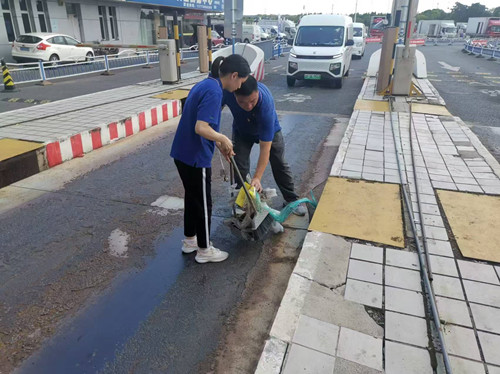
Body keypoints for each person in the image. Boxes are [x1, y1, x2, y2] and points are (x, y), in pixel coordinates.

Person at [170, 54, 250, 263]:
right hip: (195, 157)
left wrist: (219, 143)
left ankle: (190, 241)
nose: (240, 86)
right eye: (241, 81)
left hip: (182, 153)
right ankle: (204, 250)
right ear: (234, 75)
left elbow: (205, 127)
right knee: (204, 204)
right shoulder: (215, 92)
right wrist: (223, 137)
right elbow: (201, 127)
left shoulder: (206, 84)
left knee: (193, 198)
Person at [222, 75, 307, 216]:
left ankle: (291, 199)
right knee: (239, 165)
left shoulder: (265, 104)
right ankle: (243, 202)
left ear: (257, 93)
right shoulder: (228, 92)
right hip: (242, 130)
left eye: (252, 101)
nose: (248, 106)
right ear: (234, 94)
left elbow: (265, 149)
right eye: (242, 102)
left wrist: (257, 178)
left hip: (270, 131)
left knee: (278, 162)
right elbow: (213, 110)